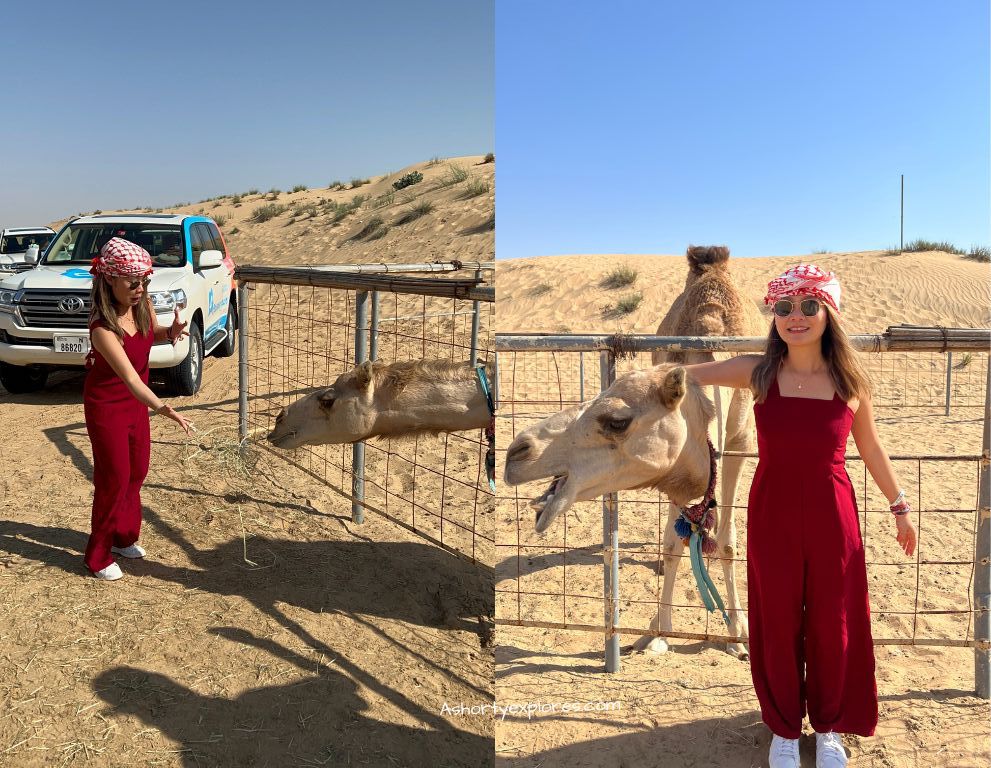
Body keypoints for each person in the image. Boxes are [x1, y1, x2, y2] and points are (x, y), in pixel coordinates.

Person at [679, 264, 916, 768]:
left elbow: (871, 448)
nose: (796, 317)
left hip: (835, 513)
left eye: (809, 306)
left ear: (829, 312)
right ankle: (784, 728)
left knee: (834, 619)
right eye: (784, 307)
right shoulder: (757, 370)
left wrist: (901, 509)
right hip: (774, 509)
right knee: (778, 618)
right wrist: (644, 380)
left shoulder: (851, 380)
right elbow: (684, 374)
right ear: (774, 316)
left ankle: (828, 727)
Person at [84, 237, 195, 581]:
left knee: (137, 472)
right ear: (110, 280)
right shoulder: (102, 329)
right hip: (108, 407)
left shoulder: (140, 304)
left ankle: (123, 536)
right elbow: (132, 379)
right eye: (133, 282)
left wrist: (170, 331)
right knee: (113, 478)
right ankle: (97, 555)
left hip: (135, 405)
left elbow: (150, 333)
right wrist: (166, 409)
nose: (140, 288)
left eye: (144, 281)